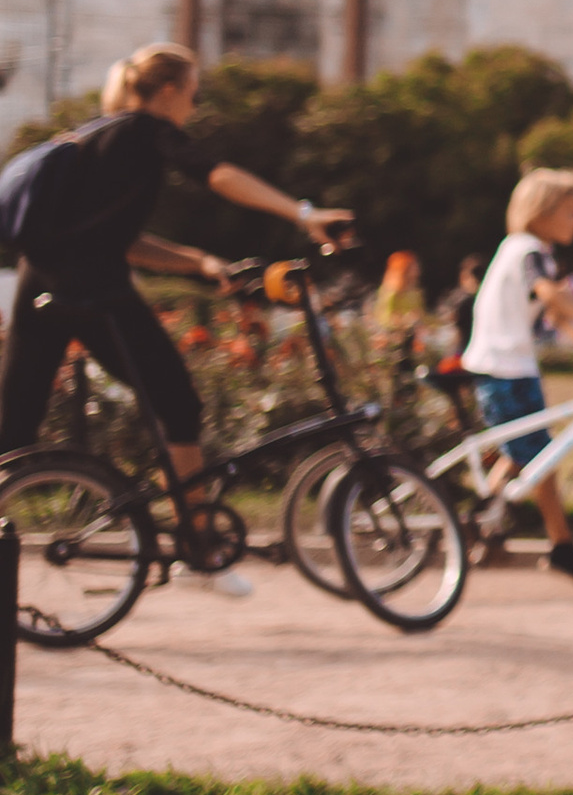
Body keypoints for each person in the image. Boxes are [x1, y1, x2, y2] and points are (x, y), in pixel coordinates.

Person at [0, 39, 351, 557]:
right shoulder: (146, 129)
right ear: (168, 92)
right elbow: (220, 175)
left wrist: (200, 263)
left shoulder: (98, 136)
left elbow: (122, 241)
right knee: (177, 401)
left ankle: (191, 526)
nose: (194, 104)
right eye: (193, 92)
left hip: (42, 281)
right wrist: (304, 215)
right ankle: (199, 534)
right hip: (95, 288)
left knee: (14, 424)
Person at [460, 168, 573, 586]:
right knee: (541, 459)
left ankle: (486, 515)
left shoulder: (524, 251)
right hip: (504, 370)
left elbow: (553, 312)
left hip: (507, 367)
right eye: (571, 211)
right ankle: (561, 546)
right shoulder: (527, 250)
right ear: (542, 213)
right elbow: (550, 294)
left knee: (527, 451)